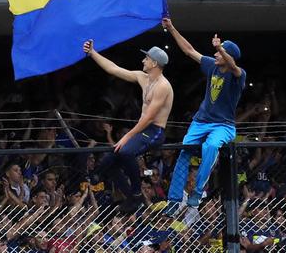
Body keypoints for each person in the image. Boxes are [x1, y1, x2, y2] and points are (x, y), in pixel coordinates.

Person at [161, 16, 246, 223]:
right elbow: (189, 50)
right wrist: (172, 28)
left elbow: (234, 66)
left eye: (219, 52)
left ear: (228, 56)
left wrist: (222, 49)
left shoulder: (238, 74)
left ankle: (197, 193)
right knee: (184, 151)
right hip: (201, 121)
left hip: (224, 125)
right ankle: (174, 201)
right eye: (217, 51)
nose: (215, 54)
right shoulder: (212, 65)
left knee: (211, 146)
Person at [83, 39, 174, 207]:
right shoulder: (143, 78)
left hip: (154, 131)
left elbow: (149, 118)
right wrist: (92, 53)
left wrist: (127, 137)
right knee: (112, 162)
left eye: (146, 58)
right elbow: (113, 69)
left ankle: (137, 190)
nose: (143, 61)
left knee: (124, 151)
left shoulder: (163, 86)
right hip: (142, 130)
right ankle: (130, 197)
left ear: (154, 63)